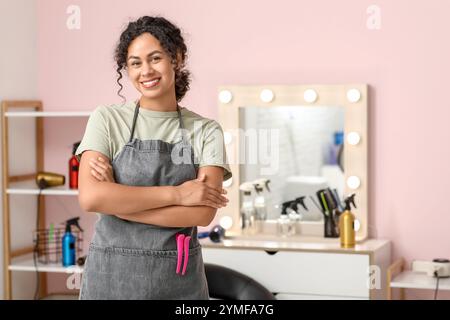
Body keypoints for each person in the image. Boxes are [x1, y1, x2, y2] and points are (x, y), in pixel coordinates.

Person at [75, 16, 232, 300]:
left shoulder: (207, 131)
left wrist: (118, 205)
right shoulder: (107, 119)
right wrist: (179, 194)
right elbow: (91, 198)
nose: (145, 71)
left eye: (155, 58)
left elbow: (202, 213)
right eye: (135, 62)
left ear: (177, 58)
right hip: (109, 281)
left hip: (176, 283)